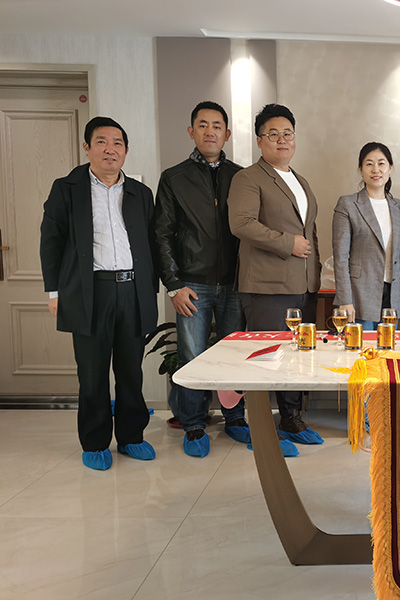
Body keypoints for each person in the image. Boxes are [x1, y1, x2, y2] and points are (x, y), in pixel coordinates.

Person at [40, 116, 158, 471]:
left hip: (133, 290)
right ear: (87, 147)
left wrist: (151, 291)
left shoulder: (140, 193)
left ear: (126, 150)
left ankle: (132, 437)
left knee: (131, 372)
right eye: (102, 142)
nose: (110, 149)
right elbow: (51, 241)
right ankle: (94, 442)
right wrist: (55, 292)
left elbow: (151, 244)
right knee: (92, 374)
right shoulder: (67, 188)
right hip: (89, 292)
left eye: (117, 143)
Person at [153, 101, 248, 458]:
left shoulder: (241, 176)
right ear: (191, 131)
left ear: (227, 133)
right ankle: (193, 425)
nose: (210, 131)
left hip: (235, 283)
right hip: (192, 284)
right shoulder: (174, 177)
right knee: (192, 356)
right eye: (203, 125)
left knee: (234, 354)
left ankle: (235, 418)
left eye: (217, 125)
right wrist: (173, 284)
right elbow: (162, 233)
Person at [228, 103, 323, 455]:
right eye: (273, 134)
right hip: (266, 286)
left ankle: (290, 418)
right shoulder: (248, 178)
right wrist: (288, 243)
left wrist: (315, 275)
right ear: (259, 140)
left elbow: (308, 231)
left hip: (303, 286)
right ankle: (260, 426)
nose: (282, 139)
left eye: (288, 133)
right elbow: (241, 224)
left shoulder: (300, 180)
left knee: (296, 355)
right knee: (266, 357)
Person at [332, 142, 400, 329]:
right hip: (359, 296)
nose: (376, 169)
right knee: (361, 346)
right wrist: (345, 300)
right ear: (361, 170)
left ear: (390, 169)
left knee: (388, 345)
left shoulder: (399, 207)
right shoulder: (348, 204)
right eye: (369, 164)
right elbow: (341, 258)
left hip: (392, 296)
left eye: (381, 163)